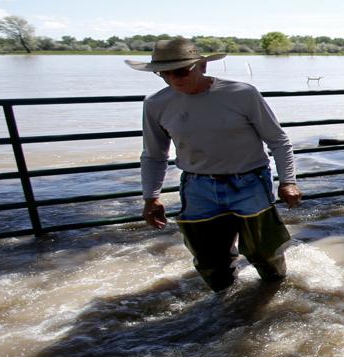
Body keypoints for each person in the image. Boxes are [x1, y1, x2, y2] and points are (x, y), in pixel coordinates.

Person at [127, 38, 303, 291]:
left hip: (250, 181)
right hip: (198, 186)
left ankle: (275, 291)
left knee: (265, 250)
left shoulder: (242, 94)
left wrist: (288, 181)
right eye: (163, 74)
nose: (173, 79)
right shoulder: (156, 104)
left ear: (202, 67)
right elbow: (154, 155)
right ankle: (225, 305)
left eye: (180, 71)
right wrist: (151, 197)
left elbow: (277, 140)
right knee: (209, 258)